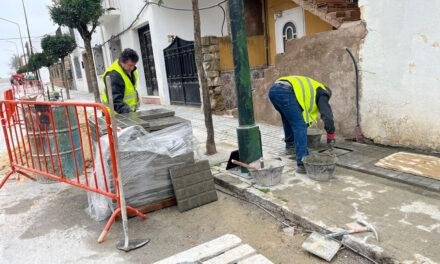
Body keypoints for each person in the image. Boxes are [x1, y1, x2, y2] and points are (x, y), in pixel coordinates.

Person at [268, 75, 336, 174]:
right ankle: (302, 162)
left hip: (274, 91)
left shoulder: (312, 88)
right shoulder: (323, 93)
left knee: (288, 120)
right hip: (286, 92)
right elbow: (327, 116)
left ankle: (290, 146)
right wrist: (331, 135)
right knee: (299, 126)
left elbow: (302, 112)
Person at [101, 48, 140, 114]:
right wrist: (129, 112)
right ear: (122, 62)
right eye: (130, 65)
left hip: (126, 113)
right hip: (114, 115)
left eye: (134, 65)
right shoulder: (114, 75)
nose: (132, 68)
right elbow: (115, 101)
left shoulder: (130, 70)